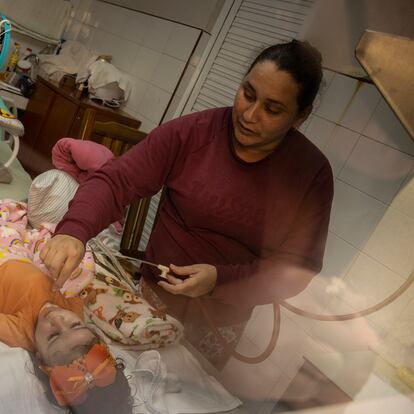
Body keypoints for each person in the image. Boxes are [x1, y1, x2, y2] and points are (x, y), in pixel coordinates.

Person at [41, 39, 334, 365]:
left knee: (187, 385)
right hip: (149, 303)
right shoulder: (194, 133)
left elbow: (299, 266)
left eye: (272, 109)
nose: (250, 115)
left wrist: (219, 281)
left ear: (300, 116)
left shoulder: (311, 175)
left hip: (221, 324)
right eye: (248, 94)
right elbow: (115, 180)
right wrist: (74, 230)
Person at [0, 259, 133, 413]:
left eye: (53, 336)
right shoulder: (73, 308)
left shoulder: (20, 332)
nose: (57, 319)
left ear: (39, 358)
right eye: (75, 325)